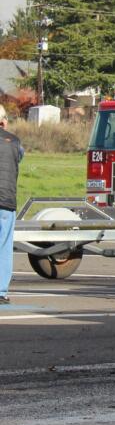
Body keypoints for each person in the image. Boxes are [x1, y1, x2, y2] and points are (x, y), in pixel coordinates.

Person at [0, 105, 24, 305]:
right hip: (7, 200)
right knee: (4, 246)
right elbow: (20, 157)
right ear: (4, 121)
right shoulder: (14, 141)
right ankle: (1, 290)